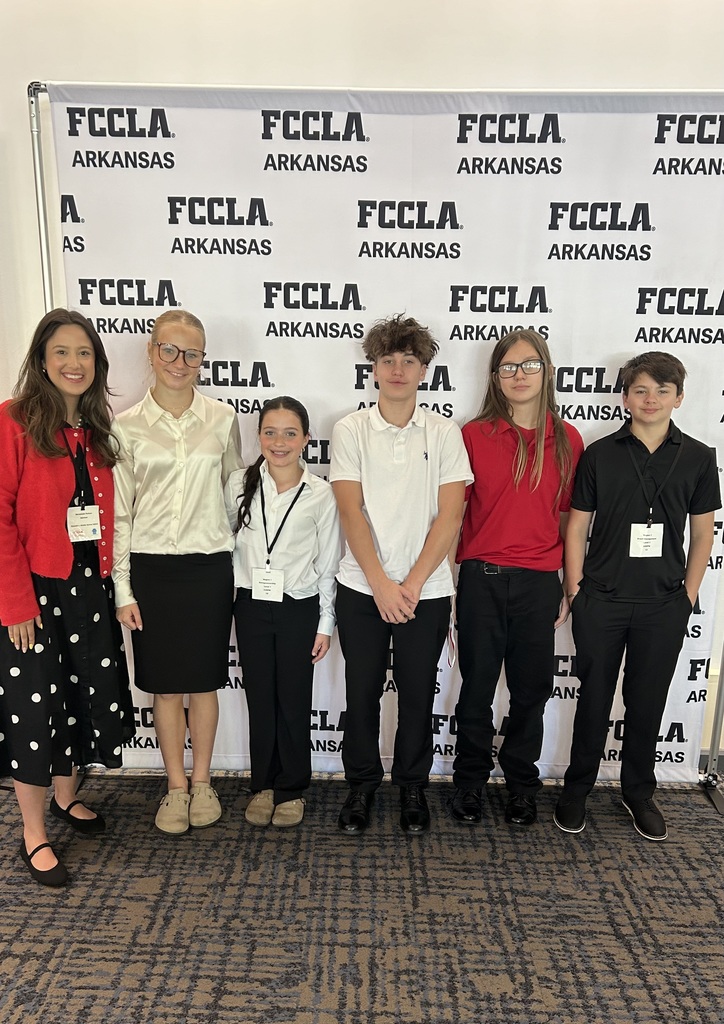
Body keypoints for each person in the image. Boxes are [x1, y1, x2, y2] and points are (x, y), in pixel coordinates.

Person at [555, 352, 720, 841]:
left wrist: (688, 594)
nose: (651, 400)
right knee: (594, 699)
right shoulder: (600, 453)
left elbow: (704, 533)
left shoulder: (698, 456)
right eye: (641, 391)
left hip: (663, 602)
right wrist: (575, 588)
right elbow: (577, 524)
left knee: (646, 702)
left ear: (680, 397)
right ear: (625, 398)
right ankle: (576, 789)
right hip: (600, 599)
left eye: (662, 391)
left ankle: (638, 792)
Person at [0, 308, 135, 886]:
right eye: (61, 352)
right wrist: (15, 603)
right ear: (41, 359)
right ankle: (33, 832)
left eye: (84, 353)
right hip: (35, 594)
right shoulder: (14, 421)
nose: (73, 363)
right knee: (34, 710)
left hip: (89, 588)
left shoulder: (97, 428)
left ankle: (64, 798)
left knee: (79, 699)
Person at [330, 314, 472, 834]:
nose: (396, 369)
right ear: (373, 367)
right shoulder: (349, 429)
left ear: (423, 370)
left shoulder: (444, 432)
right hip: (361, 588)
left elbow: (450, 516)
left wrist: (409, 585)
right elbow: (351, 512)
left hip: (427, 590)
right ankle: (362, 787)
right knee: (361, 692)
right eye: (387, 360)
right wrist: (383, 585)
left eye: (408, 360)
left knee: (418, 694)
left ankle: (413, 785)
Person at [113, 310, 242, 836]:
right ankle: (174, 787)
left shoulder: (223, 417)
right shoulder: (125, 426)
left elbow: (236, 490)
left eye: (192, 353)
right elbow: (120, 514)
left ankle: (205, 782)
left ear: (202, 360)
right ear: (151, 352)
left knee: (206, 683)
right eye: (170, 350)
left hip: (209, 568)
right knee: (165, 688)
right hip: (152, 572)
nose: (180, 362)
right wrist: (122, 587)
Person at [451, 331, 584, 828]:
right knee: (476, 687)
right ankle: (468, 782)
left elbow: (573, 519)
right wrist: (447, 585)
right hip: (481, 579)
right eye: (508, 367)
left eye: (529, 364)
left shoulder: (568, 438)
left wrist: (569, 585)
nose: (519, 374)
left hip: (537, 583)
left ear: (546, 370)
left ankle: (521, 784)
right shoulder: (473, 434)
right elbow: (455, 516)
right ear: (495, 377)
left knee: (531, 690)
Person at [225, 397, 341, 828]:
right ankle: (264, 785)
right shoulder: (239, 484)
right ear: (258, 436)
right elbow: (225, 544)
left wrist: (326, 623)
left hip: (299, 606)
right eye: (270, 432)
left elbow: (329, 563)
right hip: (251, 604)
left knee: (294, 699)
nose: (279, 441)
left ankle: (292, 788)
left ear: (307, 439)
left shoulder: (321, 494)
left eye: (290, 433)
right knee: (260, 697)